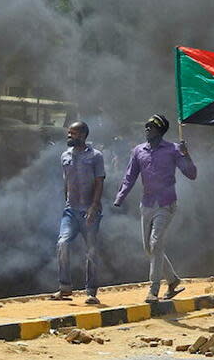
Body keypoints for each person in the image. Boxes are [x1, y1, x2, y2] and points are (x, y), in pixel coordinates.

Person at [113, 114, 196, 303]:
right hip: (147, 203)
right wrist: (120, 197)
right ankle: (173, 281)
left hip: (166, 203)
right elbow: (129, 176)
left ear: (160, 131)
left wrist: (186, 154)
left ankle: (153, 289)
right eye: (147, 126)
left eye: (151, 127)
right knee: (149, 248)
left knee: (156, 243)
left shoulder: (173, 150)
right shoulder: (138, 151)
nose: (147, 130)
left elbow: (191, 174)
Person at [51, 122, 104, 304]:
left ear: (82, 135)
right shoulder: (64, 155)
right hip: (71, 210)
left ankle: (91, 292)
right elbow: (66, 182)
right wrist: (67, 202)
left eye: (72, 133)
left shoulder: (96, 156)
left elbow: (99, 182)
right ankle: (65, 287)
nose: (69, 136)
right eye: (68, 133)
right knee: (62, 243)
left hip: (89, 210)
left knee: (91, 250)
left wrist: (94, 206)